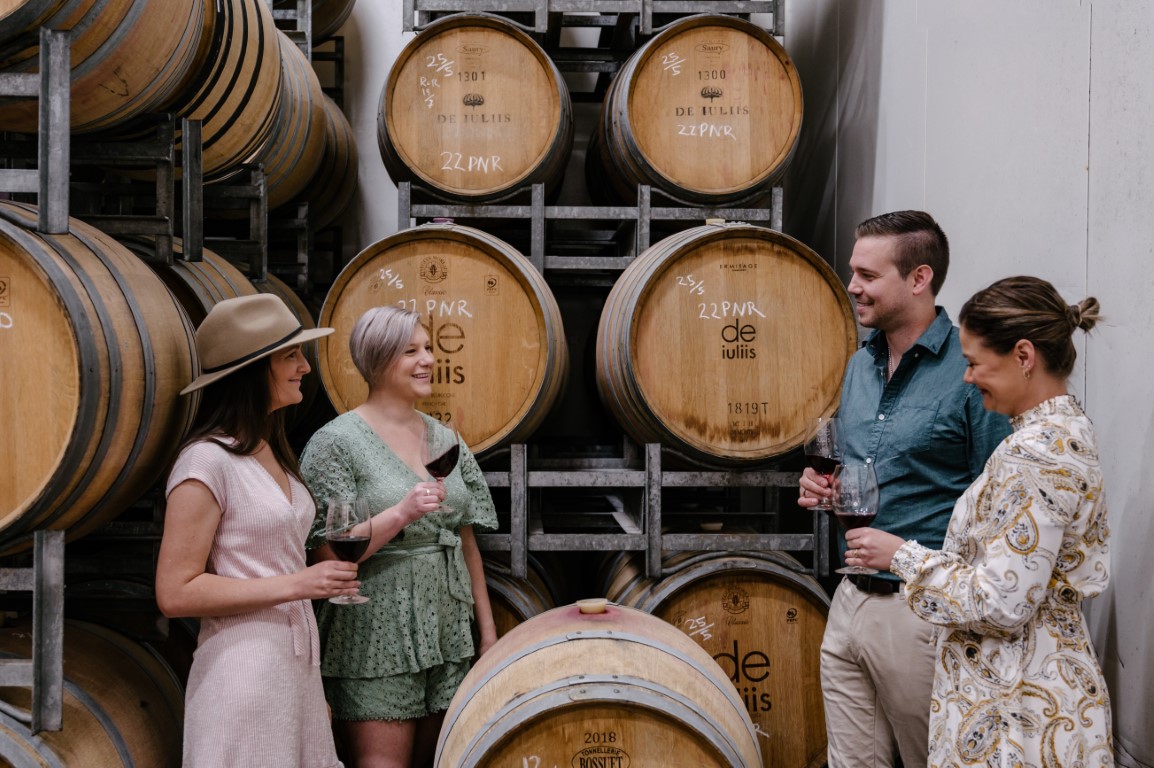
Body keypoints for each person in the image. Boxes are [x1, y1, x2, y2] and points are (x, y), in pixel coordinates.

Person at [844, 276, 1112, 767]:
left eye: (973, 364)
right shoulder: (1057, 431)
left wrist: (901, 556)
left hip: (1020, 706)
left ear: (1024, 356)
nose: (966, 378)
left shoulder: (1036, 453)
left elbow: (1002, 601)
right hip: (1025, 688)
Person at [798, 210, 1011, 768]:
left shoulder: (969, 368)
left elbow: (996, 503)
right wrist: (826, 485)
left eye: (868, 275)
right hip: (849, 600)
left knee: (932, 760)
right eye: (853, 272)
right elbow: (855, 466)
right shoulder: (858, 367)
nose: (852, 286)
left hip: (921, 612)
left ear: (919, 279)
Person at [155, 293, 354, 768]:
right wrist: (298, 584)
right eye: (291, 355)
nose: (305, 367)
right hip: (242, 675)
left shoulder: (269, 447)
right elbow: (175, 592)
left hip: (292, 672)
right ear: (252, 369)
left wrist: (308, 690)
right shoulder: (205, 462)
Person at [300, 305, 498, 768]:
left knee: (441, 761)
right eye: (411, 351)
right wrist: (401, 513)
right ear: (377, 360)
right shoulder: (336, 443)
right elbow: (330, 553)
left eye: (428, 348)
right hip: (375, 629)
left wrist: (487, 634)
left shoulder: (444, 438)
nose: (428, 359)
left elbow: (465, 540)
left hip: (448, 628)